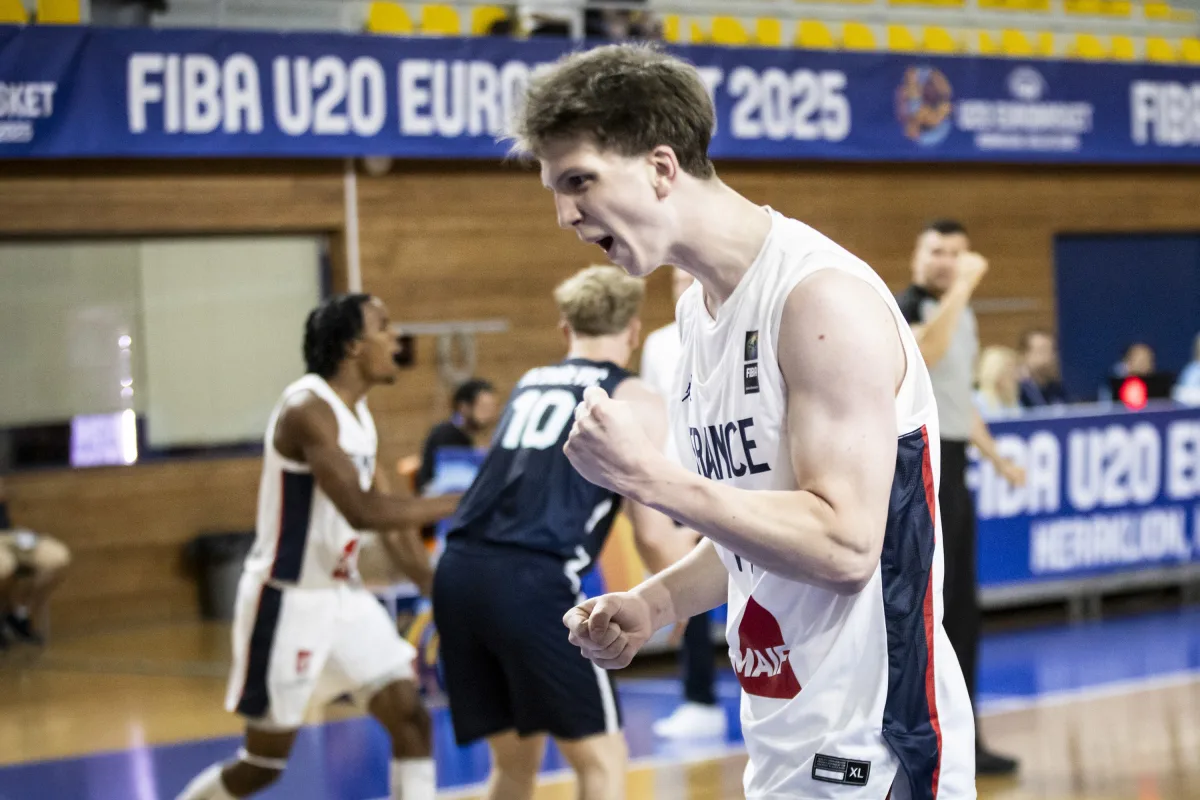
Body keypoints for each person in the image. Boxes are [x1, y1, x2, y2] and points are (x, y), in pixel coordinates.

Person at [515, 44, 976, 799]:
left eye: (579, 182)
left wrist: (648, 479)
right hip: (783, 740)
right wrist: (654, 602)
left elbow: (845, 544)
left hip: (877, 748)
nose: (566, 215)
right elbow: (753, 525)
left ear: (662, 168)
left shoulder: (818, 301)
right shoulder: (695, 309)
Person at [176, 293, 458, 800]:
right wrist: (456, 503)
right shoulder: (308, 409)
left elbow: (390, 521)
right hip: (286, 601)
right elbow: (362, 510)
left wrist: (437, 589)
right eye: (384, 327)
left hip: (343, 598)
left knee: (411, 719)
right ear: (353, 346)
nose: (397, 337)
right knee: (262, 764)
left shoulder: (360, 414)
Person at [433, 265, 694, 800]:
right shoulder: (635, 398)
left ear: (563, 330)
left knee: (513, 763)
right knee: (602, 760)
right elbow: (651, 530)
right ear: (634, 331)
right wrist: (683, 599)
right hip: (531, 581)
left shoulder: (529, 382)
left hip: (457, 573)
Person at [894, 219, 1024, 776]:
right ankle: (925, 737)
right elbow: (925, 355)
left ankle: (965, 737)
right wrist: (965, 287)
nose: (948, 262)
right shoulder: (908, 305)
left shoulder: (959, 312)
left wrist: (996, 457)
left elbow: (957, 397)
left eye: (957, 253)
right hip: (920, 465)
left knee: (964, 609)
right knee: (931, 608)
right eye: (937, 251)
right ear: (917, 257)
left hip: (957, 463)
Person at [638, 266, 725, 739]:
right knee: (684, 591)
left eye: (689, 281)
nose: (682, 291)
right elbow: (654, 415)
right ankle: (698, 697)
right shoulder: (658, 343)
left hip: (717, 483)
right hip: (673, 485)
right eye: (673, 284)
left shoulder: (728, 335)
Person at [0, 477, 71, 648]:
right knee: (5, 566)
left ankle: (18, 613)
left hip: (9, 534)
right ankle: (3, 616)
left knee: (58, 557)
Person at [414, 378, 500, 494]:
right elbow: (457, 483)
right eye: (483, 408)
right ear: (464, 407)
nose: (490, 414)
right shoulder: (447, 435)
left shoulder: (466, 434)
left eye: (492, 408)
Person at [1016, 329, 1069, 408]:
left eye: (1053, 350)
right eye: (1042, 350)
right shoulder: (1016, 390)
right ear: (1025, 354)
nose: (1050, 357)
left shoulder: (1056, 387)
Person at [974, 346, 1022, 418]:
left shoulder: (1013, 402)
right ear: (996, 372)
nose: (1016, 376)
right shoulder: (977, 402)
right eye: (1009, 371)